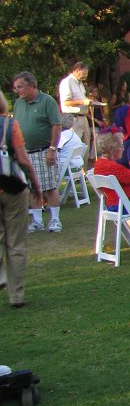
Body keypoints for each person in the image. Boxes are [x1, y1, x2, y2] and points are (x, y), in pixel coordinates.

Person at [0, 89, 42, 308]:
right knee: (16, 243)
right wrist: (36, 185)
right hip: (13, 187)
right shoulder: (10, 125)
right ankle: (16, 296)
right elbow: (24, 160)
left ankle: (1, 276)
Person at [11, 72, 63, 233]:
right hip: (25, 153)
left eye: (20, 87)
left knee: (49, 186)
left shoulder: (47, 101)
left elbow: (56, 125)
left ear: (31, 85)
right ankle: (37, 221)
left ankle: (55, 220)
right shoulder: (18, 103)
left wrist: (52, 149)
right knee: (31, 188)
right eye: (15, 88)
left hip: (44, 151)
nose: (17, 90)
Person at [58, 62, 93, 158]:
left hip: (83, 118)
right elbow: (66, 102)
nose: (86, 75)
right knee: (75, 148)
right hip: (73, 118)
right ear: (77, 71)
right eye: (84, 73)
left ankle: (85, 168)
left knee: (86, 148)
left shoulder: (81, 83)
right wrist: (83, 102)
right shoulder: (67, 82)